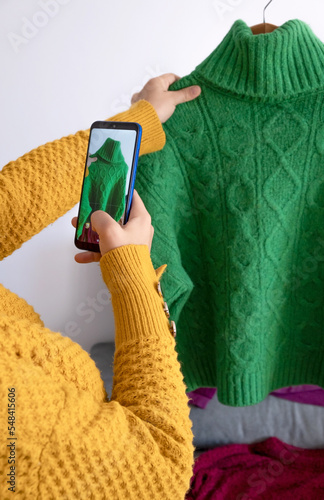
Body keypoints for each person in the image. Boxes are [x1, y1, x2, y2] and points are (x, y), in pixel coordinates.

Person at [0, 75, 201, 500]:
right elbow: (162, 468)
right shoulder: (15, 435)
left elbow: (9, 202)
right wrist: (133, 277)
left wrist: (135, 126)